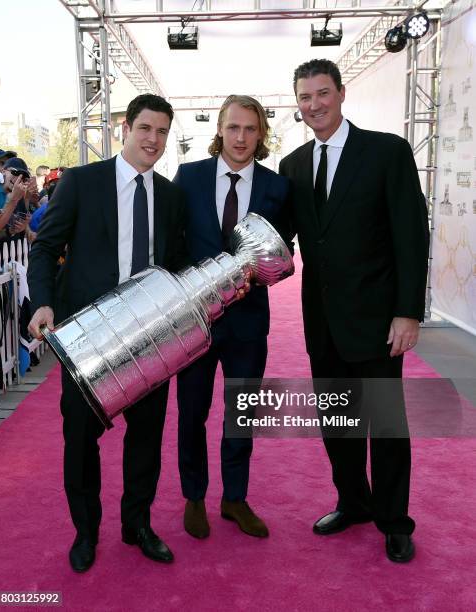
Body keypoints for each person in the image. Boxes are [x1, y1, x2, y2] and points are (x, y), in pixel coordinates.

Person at [27, 94, 188, 573]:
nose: (153, 140)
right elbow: (45, 246)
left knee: (146, 437)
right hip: (86, 338)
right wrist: (42, 301)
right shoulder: (81, 183)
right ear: (125, 129)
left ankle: (137, 525)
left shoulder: (172, 196)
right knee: (80, 439)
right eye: (144, 128)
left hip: (150, 336)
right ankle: (86, 531)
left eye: (161, 131)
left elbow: (173, 266)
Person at [279, 59, 429, 563]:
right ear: (297, 103)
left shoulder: (387, 151)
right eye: (305, 97)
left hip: (378, 318)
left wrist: (408, 312)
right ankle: (353, 502)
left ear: (341, 94)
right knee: (338, 422)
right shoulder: (293, 165)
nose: (314, 104)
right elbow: (284, 238)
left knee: (385, 424)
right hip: (322, 322)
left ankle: (394, 520)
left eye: (322, 93)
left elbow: (411, 235)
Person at [173, 95, 290, 540]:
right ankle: (195, 497)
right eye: (233, 127)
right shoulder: (189, 177)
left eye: (251, 129)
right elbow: (173, 242)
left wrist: (267, 268)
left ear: (261, 134)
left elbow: (285, 249)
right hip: (195, 320)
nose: (241, 137)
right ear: (220, 129)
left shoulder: (277, 188)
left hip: (248, 322)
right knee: (191, 413)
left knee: (241, 414)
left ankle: (234, 499)